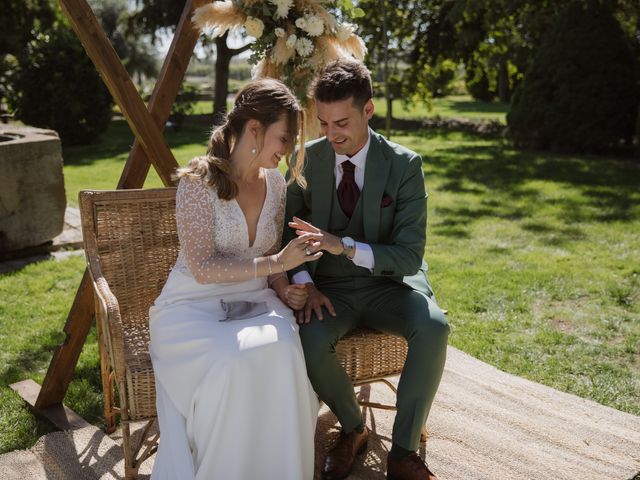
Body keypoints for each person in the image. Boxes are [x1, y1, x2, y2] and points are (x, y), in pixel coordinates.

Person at [284, 59, 450, 480]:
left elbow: (409, 256)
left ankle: (403, 453)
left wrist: (345, 245)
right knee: (306, 336)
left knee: (434, 327)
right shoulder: (306, 161)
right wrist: (304, 282)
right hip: (330, 290)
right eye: (322, 122)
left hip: (389, 287)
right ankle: (353, 429)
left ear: (369, 110)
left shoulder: (405, 165)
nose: (330, 133)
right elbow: (282, 232)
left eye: (341, 122)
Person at [148, 78, 322, 480]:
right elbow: (203, 268)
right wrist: (277, 266)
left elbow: (268, 256)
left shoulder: (275, 184)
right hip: (192, 306)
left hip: (256, 300)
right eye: (284, 138)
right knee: (230, 361)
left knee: (283, 354)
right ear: (255, 129)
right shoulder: (198, 182)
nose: (287, 151)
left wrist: (287, 288)